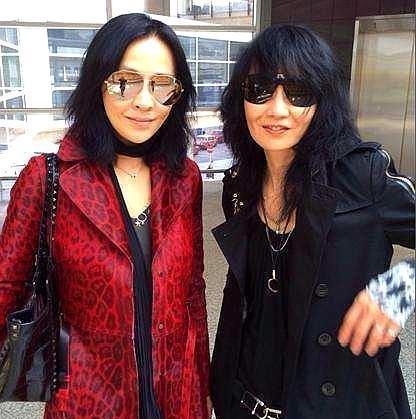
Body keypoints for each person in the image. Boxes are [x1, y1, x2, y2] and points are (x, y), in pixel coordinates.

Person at [0, 13, 210, 419]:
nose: (145, 101)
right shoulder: (48, 178)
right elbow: (6, 287)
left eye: (161, 84)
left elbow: (194, 294)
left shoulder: (185, 178)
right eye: (125, 81)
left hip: (175, 395)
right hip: (89, 399)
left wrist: (201, 389)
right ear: (98, 84)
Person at [210, 24, 415, 419]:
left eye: (298, 92)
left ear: (323, 102)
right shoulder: (240, 184)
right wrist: (218, 386)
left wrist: (402, 285)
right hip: (245, 404)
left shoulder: (363, 176)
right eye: (260, 90)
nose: (277, 109)